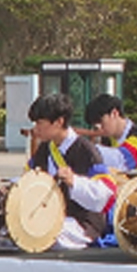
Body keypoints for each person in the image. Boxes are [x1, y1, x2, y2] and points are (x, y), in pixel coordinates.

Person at [24, 92, 118, 249]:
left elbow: (106, 194)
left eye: (40, 123)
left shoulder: (86, 151)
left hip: (83, 224)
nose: (36, 128)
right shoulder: (45, 149)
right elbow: (28, 179)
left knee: (45, 236)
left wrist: (74, 181)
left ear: (59, 122)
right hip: (50, 217)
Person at [85, 93, 137, 172]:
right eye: (94, 125)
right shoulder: (107, 139)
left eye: (100, 121)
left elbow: (122, 162)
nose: (98, 127)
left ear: (114, 113)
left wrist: (88, 149)